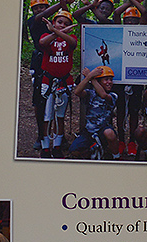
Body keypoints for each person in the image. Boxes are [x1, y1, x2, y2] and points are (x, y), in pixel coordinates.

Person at [38, 11, 79, 158]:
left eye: (66, 24)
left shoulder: (71, 38)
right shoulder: (46, 37)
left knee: (59, 116)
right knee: (46, 116)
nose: (63, 25)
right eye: (59, 22)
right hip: (48, 82)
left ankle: (56, 146)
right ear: (54, 22)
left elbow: (73, 43)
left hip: (64, 82)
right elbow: (42, 43)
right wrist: (56, 32)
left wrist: (57, 31)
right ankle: (45, 147)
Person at [71, 64, 121, 158]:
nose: (109, 82)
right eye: (106, 80)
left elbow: (103, 95)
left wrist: (91, 77)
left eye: (111, 80)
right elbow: (77, 92)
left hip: (103, 129)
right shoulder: (90, 93)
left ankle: (116, 156)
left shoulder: (113, 95)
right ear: (99, 82)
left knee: (109, 133)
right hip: (89, 131)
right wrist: (89, 77)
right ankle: (93, 151)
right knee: (74, 150)